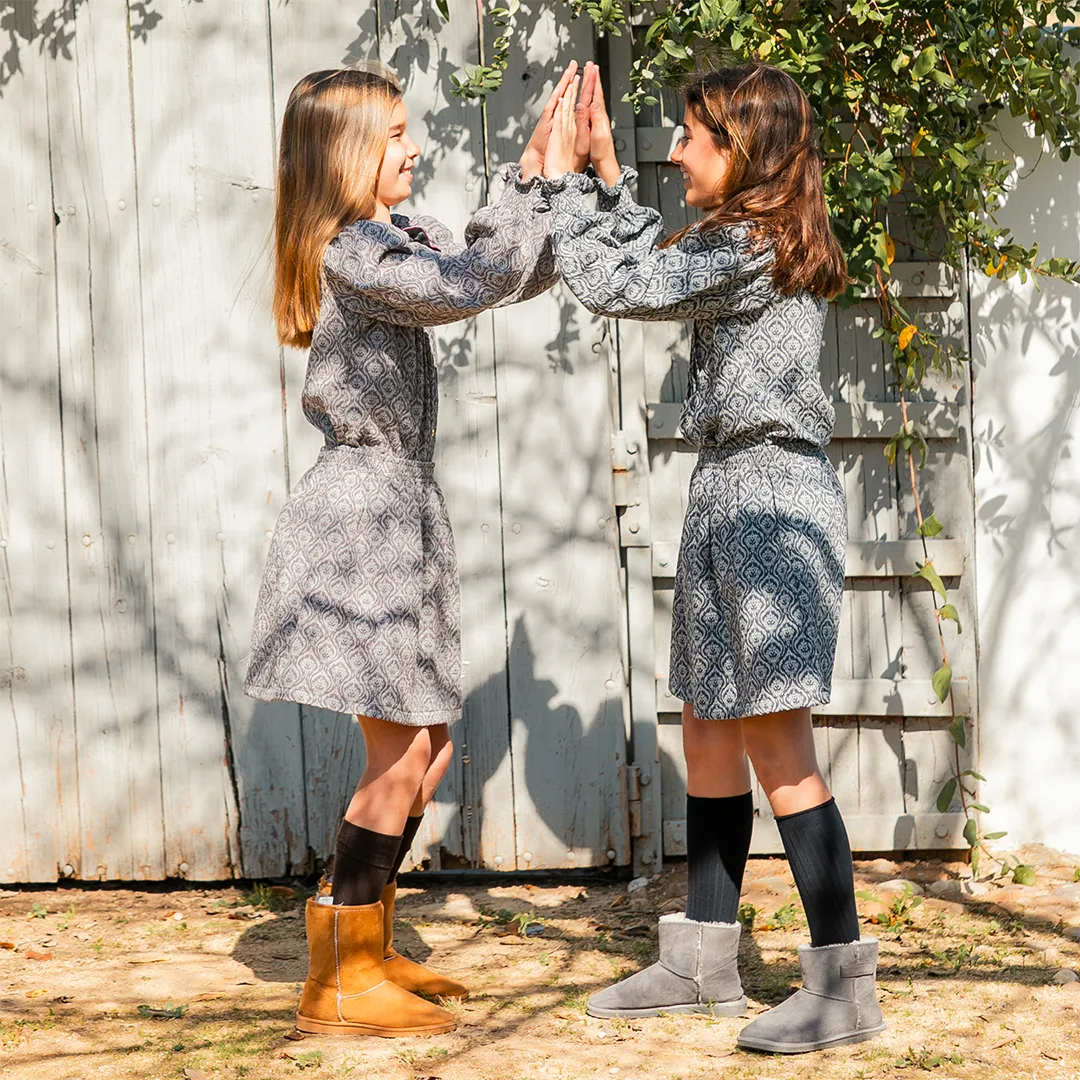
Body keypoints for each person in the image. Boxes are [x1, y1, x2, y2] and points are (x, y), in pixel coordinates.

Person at [539, 61, 885, 1055]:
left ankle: (842, 987)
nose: (678, 151)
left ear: (745, 153)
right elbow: (654, 249)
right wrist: (604, 178)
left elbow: (617, 282)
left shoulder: (749, 243)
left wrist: (563, 182)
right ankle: (703, 961)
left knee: (778, 747)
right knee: (707, 725)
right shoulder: (735, 237)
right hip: (728, 492)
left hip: (771, 502)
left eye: (693, 136)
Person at [245, 60, 578, 1037]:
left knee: (426, 751)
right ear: (349, 153)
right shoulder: (356, 253)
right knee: (399, 760)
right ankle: (340, 981)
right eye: (395, 134)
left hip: (398, 517)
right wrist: (525, 183)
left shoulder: (394, 240)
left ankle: (368, 944)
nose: (414, 147)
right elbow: (471, 281)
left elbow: (501, 272)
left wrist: (547, 190)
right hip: (360, 529)